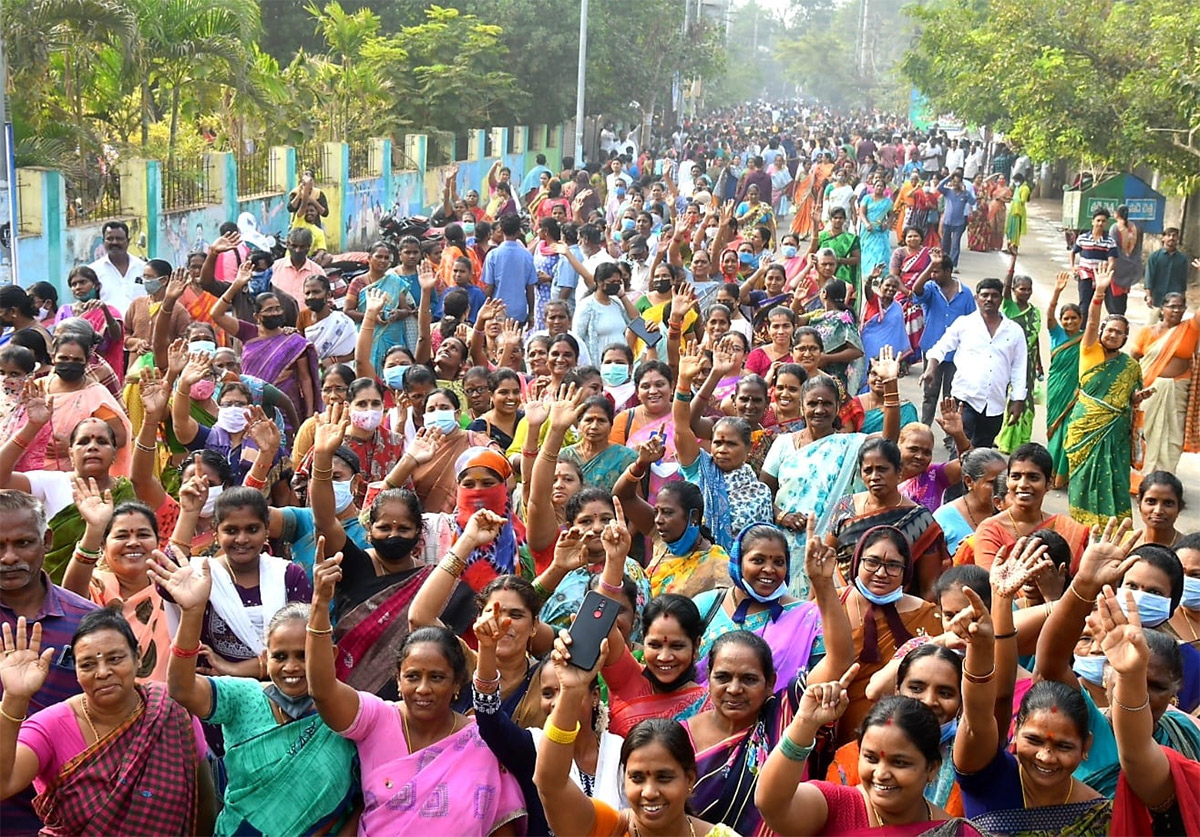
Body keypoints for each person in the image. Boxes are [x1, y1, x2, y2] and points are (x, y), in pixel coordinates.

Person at [306, 549, 528, 835]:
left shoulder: (481, 742)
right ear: (398, 681)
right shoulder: (377, 718)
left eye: (437, 677)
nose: (423, 689)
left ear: (457, 683)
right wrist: (320, 604)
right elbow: (323, 691)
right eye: (412, 676)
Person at [153, 549, 357, 835]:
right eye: (280, 656)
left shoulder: (349, 714)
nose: (292, 667)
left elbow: (360, 803)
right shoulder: (243, 697)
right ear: (265, 657)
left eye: (304, 655)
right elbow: (181, 689)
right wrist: (192, 614)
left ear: (330, 654)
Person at [0, 608, 210, 836]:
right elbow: (3, 784)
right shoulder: (49, 726)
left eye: (115, 659)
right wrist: (15, 697)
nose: (102, 672)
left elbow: (204, 799)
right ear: (77, 672)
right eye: (88, 665)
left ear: (138, 657)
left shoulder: (170, 710)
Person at [953, 553, 1114, 835]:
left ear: (1086, 745)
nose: (1045, 757)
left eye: (1063, 746)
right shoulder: (987, 775)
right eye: (1034, 740)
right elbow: (988, 707)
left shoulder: (1098, 812)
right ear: (1015, 730)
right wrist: (982, 644)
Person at [0, 490, 98, 833]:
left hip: (69, 811)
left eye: (23, 543)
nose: (9, 557)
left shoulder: (88, 623)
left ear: (47, 540)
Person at [684, 629, 844, 836]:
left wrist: (825, 595)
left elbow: (839, 660)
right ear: (708, 677)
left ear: (770, 683)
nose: (734, 689)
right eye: (723, 677)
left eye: (749, 679)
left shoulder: (788, 713)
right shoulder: (679, 737)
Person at [756, 672, 959, 834]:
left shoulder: (952, 831)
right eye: (871, 758)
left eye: (899, 763)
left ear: (932, 768)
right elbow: (772, 804)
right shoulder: (835, 806)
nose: (880, 773)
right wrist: (804, 723)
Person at [761, 368, 901, 598]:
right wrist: (781, 515)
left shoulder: (852, 444)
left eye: (827, 403)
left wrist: (891, 386)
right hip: (785, 547)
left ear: (837, 408)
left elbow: (888, 441)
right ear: (801, 406)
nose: (819, 410)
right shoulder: (783, 444)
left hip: (835, 547)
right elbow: (764, 492)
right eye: (812, 403)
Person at [1092, 584, 1200, 835]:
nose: (1146, 695)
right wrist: (1130, 677)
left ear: (1175, 694)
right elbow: (1135, 752)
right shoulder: (1178, 773)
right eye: (1142, 684)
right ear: (1106, 678)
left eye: (1157, 687)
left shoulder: (1186, 731)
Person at [0, 386, 135, 582]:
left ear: (114, 453)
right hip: (55, 590)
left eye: (102, 442)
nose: (93, 447)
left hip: (112, 591)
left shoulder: (124, 490)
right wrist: (33, 427)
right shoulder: (52, 482)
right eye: (84, 442)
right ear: (70, 453)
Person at [827, 643, 966, 817]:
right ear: (897, 691)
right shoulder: (850, 757)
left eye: (945, 693)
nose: (929, 701)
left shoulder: (969, 759)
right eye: (916, 688)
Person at [1064, 267, 1151, 527]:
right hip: (1085, 429)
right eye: (1109, 330)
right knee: (1082, 477)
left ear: (1125, 338)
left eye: (1119, 332)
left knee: (1115, 478)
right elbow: (1090, 321)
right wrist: (1099, 292)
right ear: (1101, 331)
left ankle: (1115, 528)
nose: (1112, 334)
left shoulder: (1130, 366)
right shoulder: (1090, 350)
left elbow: (1130, 397)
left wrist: (1136, 400)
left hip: (1116, 433)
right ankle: (1081, 526)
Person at [920, 277, 1026, 448]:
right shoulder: (964, 324)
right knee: (960, 450)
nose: (989, 299)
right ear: (977, 298)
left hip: (994, 404)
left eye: (994, 295)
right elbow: (940, 347)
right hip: (964, 399)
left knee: (982, 456)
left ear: (1001, 299)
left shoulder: (1014, 331)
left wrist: (1018, 400)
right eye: (984, 295)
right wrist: (931, 368)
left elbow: (1019, 368)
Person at [211, 262, 320, 424]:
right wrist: (237, 284)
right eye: (269, 310)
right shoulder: (248, 332)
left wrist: (310, 414)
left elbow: (305, 379)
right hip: (249, 405)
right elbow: (216, 314)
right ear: (257, 316)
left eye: (277, 308)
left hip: (286, 408)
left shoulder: (294, 341)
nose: (275, 313)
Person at [1130, 292, 1199, 482]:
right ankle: (1144, 480)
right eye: (1172, 306)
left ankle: (1166, 480)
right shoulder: (1147, 332)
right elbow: (1133, 360)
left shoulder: (1190, 329)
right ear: (1163, 308)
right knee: (1146, 434)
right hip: (1149, 390)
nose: (1176, 310)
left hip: (1177, 391)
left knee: (1173, 438)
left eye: (1181, 306)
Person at [995, 266, 1041, 453]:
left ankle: (1022, 438)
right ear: (1014, 290)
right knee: (1009, 398)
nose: (1026, 292)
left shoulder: (1035, 311)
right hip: (1009, 360)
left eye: (1029, 289)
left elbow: (1035, 338)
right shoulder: (1008, 306)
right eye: (1022, 288)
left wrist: (1039, 364)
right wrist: (1012, 264)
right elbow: (1004, 287)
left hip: (1028, 363)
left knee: (1026, 399)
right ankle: (1004, 439)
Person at [53, 266, 126, 385]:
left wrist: (104, 310)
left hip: (101, 372)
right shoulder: (65, 310)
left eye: (82, 282)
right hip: (71, 369)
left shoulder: (110, 311)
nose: (78, 287)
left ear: (96, 286)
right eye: (73, 284)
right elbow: (57, 341)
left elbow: (116, 336)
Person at [1044, 272, 1084, 487]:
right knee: (1055, 428)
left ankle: (1065, 475)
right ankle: (1051, 474)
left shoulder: (1087, 337)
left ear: (1081, 320)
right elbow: (1049, 315)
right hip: (1057, 386)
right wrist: (1057, 292)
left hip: (1077, 391)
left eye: (1074, 318)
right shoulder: (1056, 334)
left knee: (1071, 430)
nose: (1069, 322)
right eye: (1066, 318)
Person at [933, 448, 1008, 555]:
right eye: (992, 482)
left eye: (1004, 481)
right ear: (969, 482)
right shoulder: (943, 518)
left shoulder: (1011, 512)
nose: (1001, 487)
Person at [483, 214, 537, 327]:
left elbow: (489, 286)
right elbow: (530, 288)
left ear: (501, 230)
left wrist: (484, 309)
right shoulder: (527, 255)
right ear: (518, 231)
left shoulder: (493, 255)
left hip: (497, 310)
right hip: (519, 311)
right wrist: (531, 313)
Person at [1071, 207, 1120, 319]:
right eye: (1098, 220)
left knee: (1098, 304)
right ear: (1092, 221)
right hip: (1085, 275)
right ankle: (1082, 330)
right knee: (1084, 305)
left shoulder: (1110, 241)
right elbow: (1073, 252)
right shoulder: (1083, 238)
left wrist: (1107, 274)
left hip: (1100, 277)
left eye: (1103, 221)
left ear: (1107, 223)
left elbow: (1112, 261)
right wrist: (1073, 267)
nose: (1100, 223)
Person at [88, 220, 147, 312]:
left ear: (128, 241)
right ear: (104, 242)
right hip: (106, 324)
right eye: (110, 239)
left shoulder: (143, 268)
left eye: (119, 238)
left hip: (139, 324)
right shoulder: (93, 271)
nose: (114, 242)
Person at [1143, 227, 1192, 320]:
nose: (1171, 238)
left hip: (1174, 302)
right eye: (1168, 235)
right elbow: (1149, 278)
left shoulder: (1182, 259)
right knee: (1152, 326)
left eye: (1174, 236)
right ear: (1163, 238)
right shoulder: (1154, 257)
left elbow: (1183, 280)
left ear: (1178, 238)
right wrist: (1149, 296)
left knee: (1172, 329)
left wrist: (1183, 298)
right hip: (1157, 299)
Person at [1004, 173, 1031, 251]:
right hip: (1013, 211)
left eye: (1016, 180)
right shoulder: (1017, 188)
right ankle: (1009, 247)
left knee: (1016, 230)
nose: (1015, 182)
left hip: (1018, 212)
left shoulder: (1025, 188)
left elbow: (1022, 200)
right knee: (1010, 229)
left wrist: (1013, 200)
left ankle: (1014, 247)